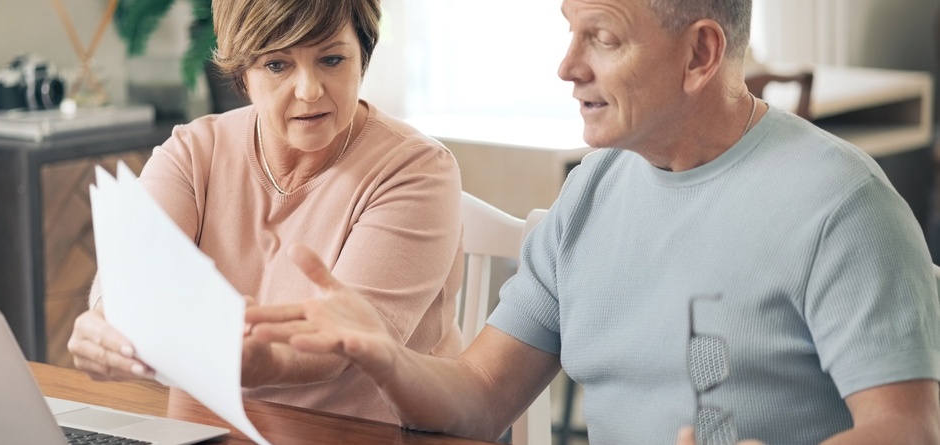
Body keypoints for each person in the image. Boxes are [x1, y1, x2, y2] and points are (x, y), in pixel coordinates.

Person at [244, 0, 940, 443]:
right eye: (569, 31)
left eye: (601, 37)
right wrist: (383, 355)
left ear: (700, 54)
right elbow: (483, 397)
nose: (567, 66)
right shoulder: (593, 193)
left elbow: (906, 427)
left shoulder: (844, 206)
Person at [66, 0, 465, 424]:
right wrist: (107, 326)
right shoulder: (193, 152)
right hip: (203, 432)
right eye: (277, 65)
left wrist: (259, 359)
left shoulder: (418, 170)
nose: (309, 89)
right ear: (242, 73)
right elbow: (132, 278)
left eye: (332, 59)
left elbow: (352, 343)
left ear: (362, 56)